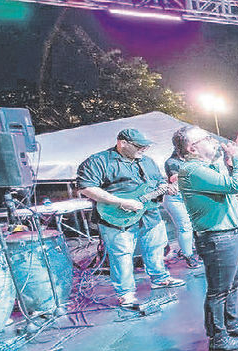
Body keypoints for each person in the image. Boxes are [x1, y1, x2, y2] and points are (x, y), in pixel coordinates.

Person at [173, 125, 238, 351]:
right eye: (206, 138)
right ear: (192, 148)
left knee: (234, 283)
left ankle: (231, 325)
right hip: (218, 238)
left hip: (232, 233)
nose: (213, 140)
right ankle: (218, 338)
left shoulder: (208, 167)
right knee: (219, 290)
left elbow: (232, 191)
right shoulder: (192, 170)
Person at [76, 128, 184, 307]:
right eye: (139, 146)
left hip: (149, 213)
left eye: (146, 146)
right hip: (117, 217)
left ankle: (159, 278)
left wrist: (167, 187)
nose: (144, 149)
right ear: (122, 143)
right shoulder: (99, 161)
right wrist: (120, 202)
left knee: (156, 246)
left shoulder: (147, 161)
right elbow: (86, 188)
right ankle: (125, 293)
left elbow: (157, 182)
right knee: (121, 255)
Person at [163, 147, 202, 269]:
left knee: (197, 226)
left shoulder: (191, 161)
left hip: (190, 197)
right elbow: (173, 178)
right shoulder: (171, 162)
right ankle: (188, 256)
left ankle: (200, 252)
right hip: (176, 199)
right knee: (185, 227)